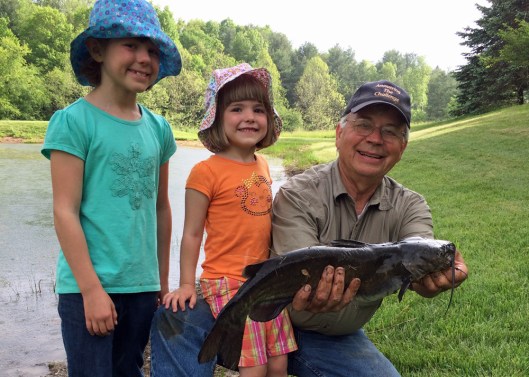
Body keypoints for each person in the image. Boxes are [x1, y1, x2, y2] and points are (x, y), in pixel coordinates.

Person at [149, 80, 469, 376]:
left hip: (336, 338)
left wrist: (431, 273)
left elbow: (419, 243)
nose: (375, 138)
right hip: (273, 309)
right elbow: (293, 268)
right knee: (177, 316)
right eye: (364, 126)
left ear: (403, 146)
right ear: (338, 133)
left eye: (390, 131)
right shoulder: (298, 193)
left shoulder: (411, 205)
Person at [41, 0, 181, 375]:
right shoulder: (73, 122)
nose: (144, 59)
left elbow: (161, 209)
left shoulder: (159, 129)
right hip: (87, 288)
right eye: (131, 45)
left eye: (152, 50)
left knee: (130, 370)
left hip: (142, 287)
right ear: (97, 49)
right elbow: (64, 211)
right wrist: (90, 290)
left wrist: (161, 283)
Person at [154, 63, 297, 377]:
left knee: (278, 363)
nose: (249, 117)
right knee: (255, 365)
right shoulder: (206, 171)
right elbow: (191, 234)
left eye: (258, 109)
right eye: (237, 108)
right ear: (217, 118)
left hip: (264, 280)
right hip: (228, 281)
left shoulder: (262, 165)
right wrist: (186, 285)